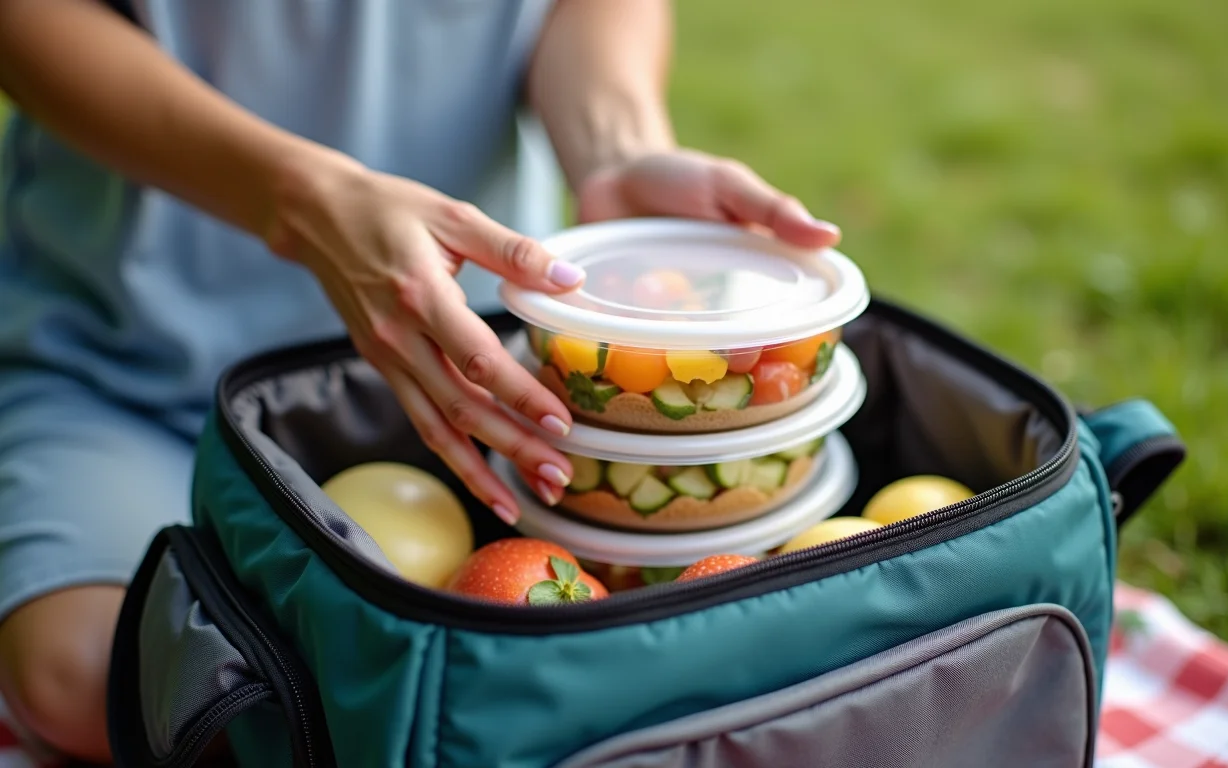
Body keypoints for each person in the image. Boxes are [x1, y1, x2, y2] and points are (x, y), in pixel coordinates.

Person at [0, 0, 842, 762]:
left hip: (463, 375)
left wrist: (619, 152)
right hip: (121, 355)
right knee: (93, 680)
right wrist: (301, 199)